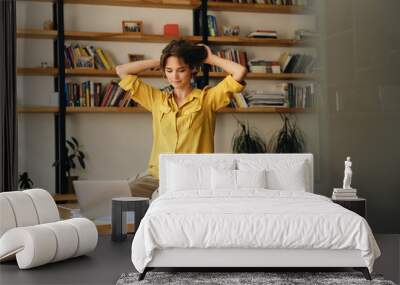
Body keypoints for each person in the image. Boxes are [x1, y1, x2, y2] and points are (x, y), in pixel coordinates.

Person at [115, 39, 247, 199]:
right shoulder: (156, 99)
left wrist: (210, 58)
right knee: (122, 193)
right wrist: (164, 59)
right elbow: (121, 70)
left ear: (192, 69)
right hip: (158, 176)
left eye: (181, 70)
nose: (174, 76)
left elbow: (239, 71)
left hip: (193, 178)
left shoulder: (207, 99)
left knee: (159, 200)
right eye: (169, 70)